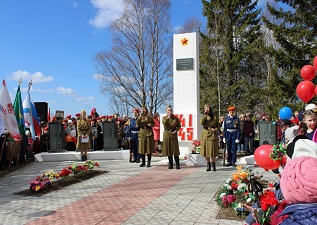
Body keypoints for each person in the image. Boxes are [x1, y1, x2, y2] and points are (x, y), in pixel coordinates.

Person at [199, 104, 219, 171]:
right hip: (205, 134)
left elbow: (218, 126)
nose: (206, 109)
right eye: (205, 108)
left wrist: (215, 129)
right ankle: (208, 165)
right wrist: (204, 115)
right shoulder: (204, 116)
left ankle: (213, 165)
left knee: (212, 151)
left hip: (212, 135)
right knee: (206, 151)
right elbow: (201, 122)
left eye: (207, 108)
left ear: (210, 109)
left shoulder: (214, 117)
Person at [162, 105, 181, 169]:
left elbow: (179, 126)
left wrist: (176, 130)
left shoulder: (175, 118)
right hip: (167, 134)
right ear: (166, 111)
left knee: (175, 149)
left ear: (172, 111)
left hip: (173, 134)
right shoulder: (164, 118)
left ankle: (177, 164)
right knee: (168, 149)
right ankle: (171, 164)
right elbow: (164, 123)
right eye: (168, 110)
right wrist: (168, 118)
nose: (169, 111)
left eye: (170, 110)